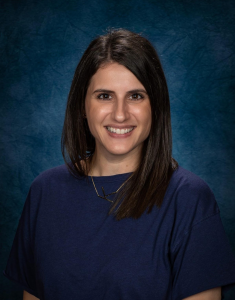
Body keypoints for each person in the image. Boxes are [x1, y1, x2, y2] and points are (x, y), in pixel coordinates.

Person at [4, 29, 235, 300]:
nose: (120, 114)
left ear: (156, 105)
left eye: (136, 96)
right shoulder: (45, 191)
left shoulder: (189, 198)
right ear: (82, 105)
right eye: (104, 96)